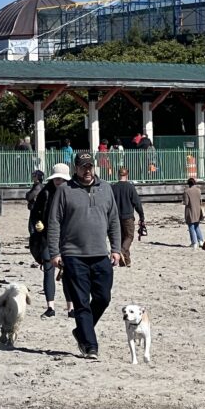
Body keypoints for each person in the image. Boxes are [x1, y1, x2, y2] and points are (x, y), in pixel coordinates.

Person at [48, 153, 121, 360]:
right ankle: (90, 345)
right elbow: (54, 222)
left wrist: (116, 249)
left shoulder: (106, 188)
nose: (87, 171)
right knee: (81, 302)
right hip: (73, 255)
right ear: (76, 168)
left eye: (90, 166)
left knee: (103, 298)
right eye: (83, 167)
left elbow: (114, 220)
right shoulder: (64, 190)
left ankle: (81, 331)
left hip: (100, 254)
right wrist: (55, 253)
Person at [32, 163, 74, 318]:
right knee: (49, 271)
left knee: (68, 273)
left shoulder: (73, 192)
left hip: (67, 237)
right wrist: (37, 224)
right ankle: (50, 307)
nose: (58, 181)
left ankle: (70, 308)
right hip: (47, 237)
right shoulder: (45, 193)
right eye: (56, 178)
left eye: (61, 179)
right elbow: (35, 213)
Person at [111, 166, 144, 266]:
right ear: (127, 175)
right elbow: (137, 203)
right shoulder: (130, 187)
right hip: (128, 216)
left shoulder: (113, 187)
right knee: (129, 236)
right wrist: (141, 216)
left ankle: (126, 261)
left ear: (118, 175)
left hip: (116, 217)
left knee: (122, 237)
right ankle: (122, 251)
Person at [183, 177, 204, 248]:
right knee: (197, 226)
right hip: (198, 210)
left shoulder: (186, 191)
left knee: (191, 226)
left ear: (188, 184)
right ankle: (201, 241)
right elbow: (201, 201)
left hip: (190, 210)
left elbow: (186, 203)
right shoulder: (199, 190)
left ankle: (194, 242)